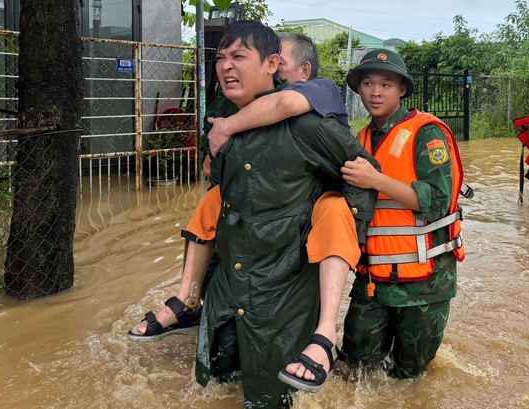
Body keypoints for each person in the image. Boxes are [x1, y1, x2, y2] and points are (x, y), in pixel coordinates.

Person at [132, 22, 378, 408]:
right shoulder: (220, 127)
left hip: (283, 294)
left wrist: (346, 235)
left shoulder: (308, 125)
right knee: (214, 386)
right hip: (228, 290)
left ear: (271, 64)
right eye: (221, 58)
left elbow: (363, 175)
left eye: (239, 56)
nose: (227, 66)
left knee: (272, 397)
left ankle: (324, 341)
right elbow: (223, 203)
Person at [338, 49, 465, 379]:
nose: (376, 92)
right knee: (355, 371)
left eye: (386, 84)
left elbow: (438, 200)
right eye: (368, 83)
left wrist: (376, 180)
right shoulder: (361, 138)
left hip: (424, 284)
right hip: (373, 281)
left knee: (411, 378)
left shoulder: (427, 133)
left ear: (402, 90)